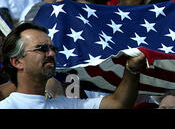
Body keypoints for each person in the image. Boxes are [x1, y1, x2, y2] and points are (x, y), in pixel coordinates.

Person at [0, 22, 146, 108]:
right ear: (17, 61)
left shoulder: (65, 104)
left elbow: (118, 103)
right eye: (42, 49)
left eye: (53, 49)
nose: (51, 54)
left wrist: (131, 70)